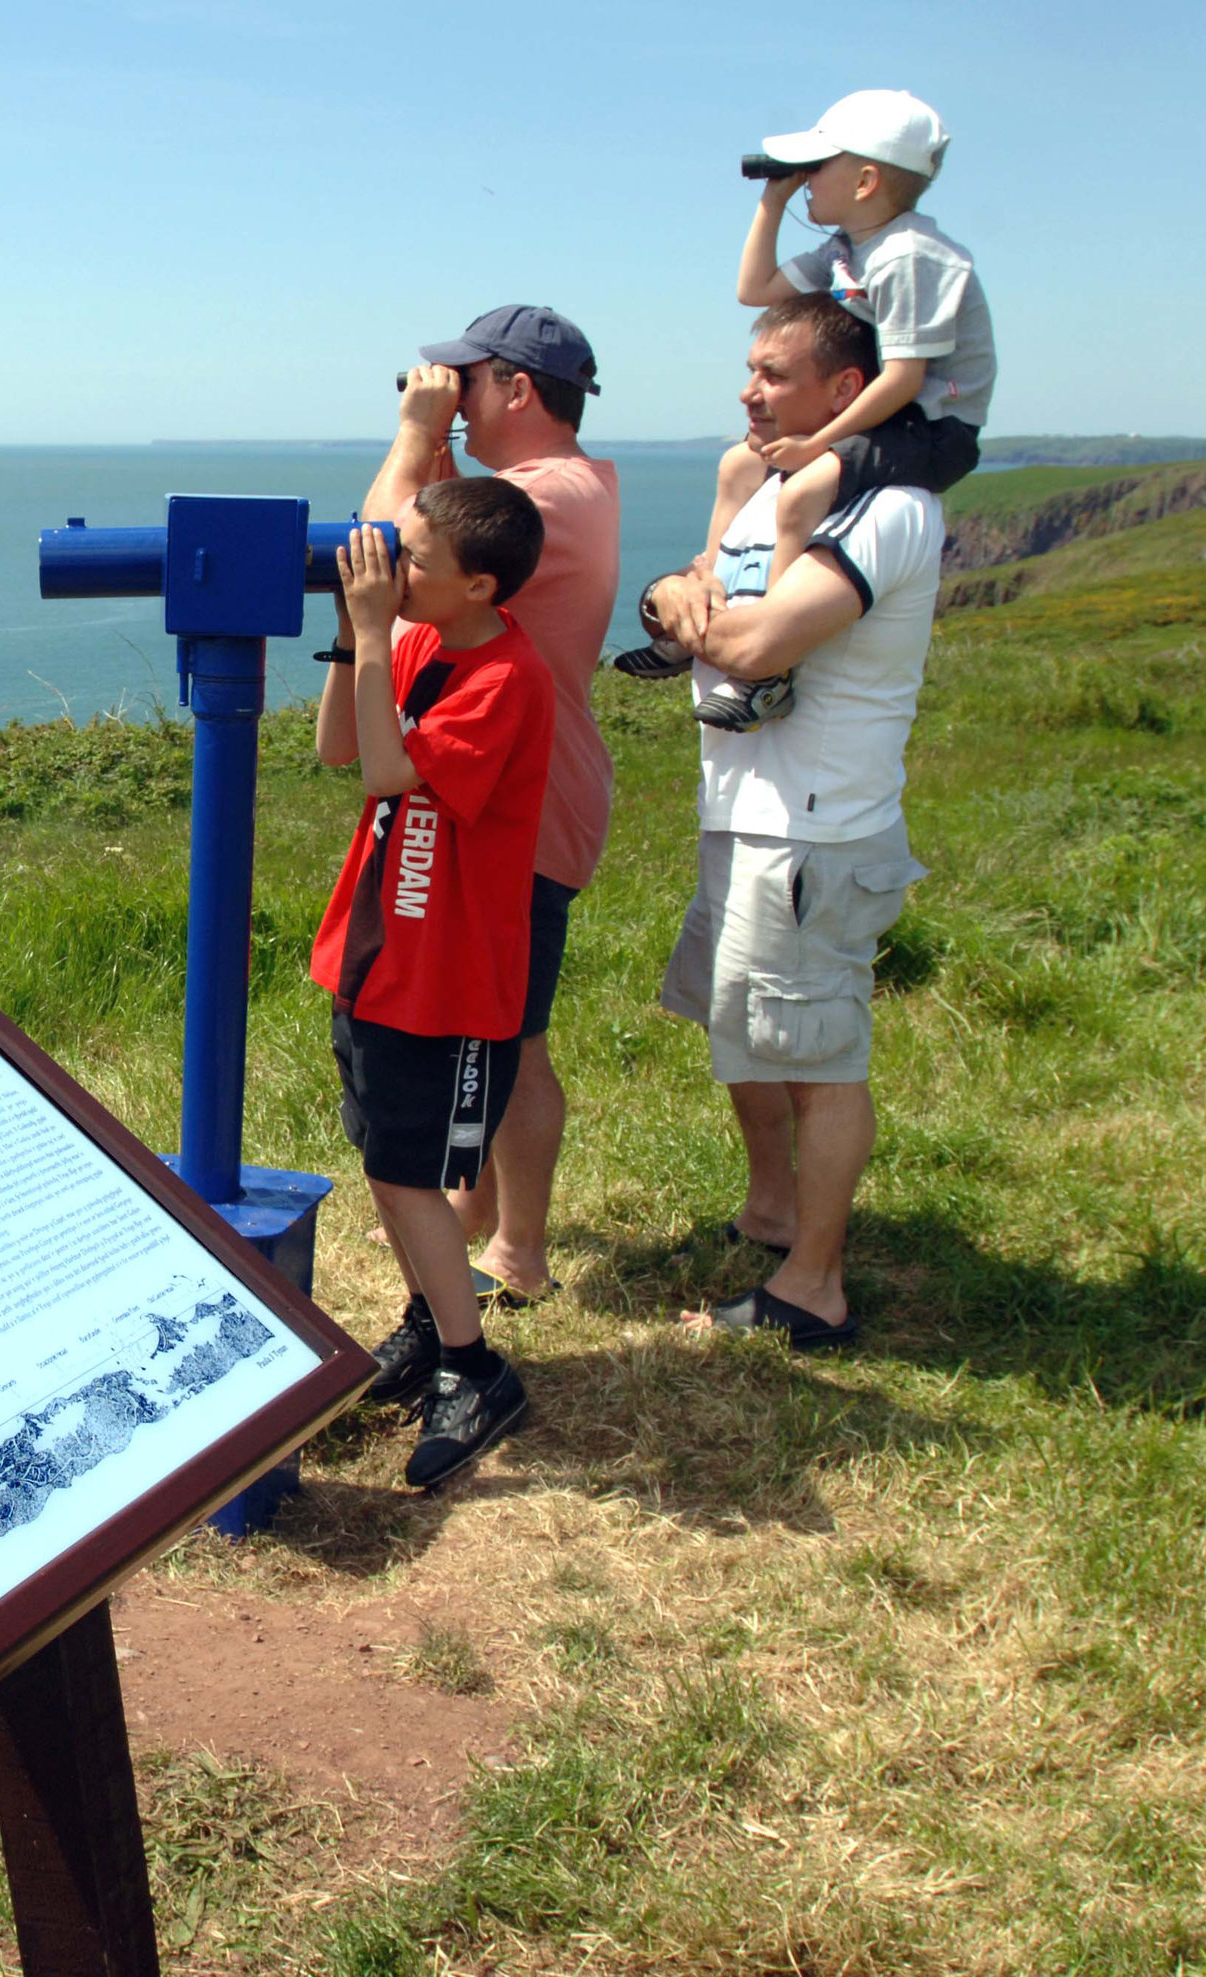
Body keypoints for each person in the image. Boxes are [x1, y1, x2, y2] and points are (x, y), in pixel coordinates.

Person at [629, 293, 944, 1348]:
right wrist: (679, 594)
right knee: (747, 1029)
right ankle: (772, 1212)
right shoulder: (766, 486)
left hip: (815, 827)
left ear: (845, 391)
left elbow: (758, 645)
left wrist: (697, 613)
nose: (746, 390)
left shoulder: (889, 510)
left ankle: (814, 1286)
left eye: (773, 373)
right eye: (748, 368)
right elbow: (691, 592)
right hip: (745, 811)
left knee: (818, 1056)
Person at [340, 306, 621, 1403]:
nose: (446, 392)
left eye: (464, 381)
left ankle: (510, 1251)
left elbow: (382, 540)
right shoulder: (578, 483)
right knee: (505, 1043)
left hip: (504, 811)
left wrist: (415, 434)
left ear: (511, 387)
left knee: (506, 1041)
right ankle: (471, 1234)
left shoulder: (541, 499)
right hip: (504, 797)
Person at [311, 477, 553, 1488]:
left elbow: (387, 774)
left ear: (479, 584)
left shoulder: (505, 679)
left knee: (416, 1176)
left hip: (449, 979)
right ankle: (426, 1324)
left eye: (412, 560)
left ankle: (473, 1369)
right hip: (376, 958)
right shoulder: (411, 641)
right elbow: (338, 748)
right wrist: (350, 637)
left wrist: (373, 636)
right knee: (384, 1161)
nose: (391, 570)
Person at [618, 90, 992, 735]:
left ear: (868, 179)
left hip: (935, 427)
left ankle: (769, 669)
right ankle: (708, 590)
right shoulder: (851, 246)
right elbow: (753, 289)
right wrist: (774, 200)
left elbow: (906, 378)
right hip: (887, 413)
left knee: (806, 487)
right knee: (742, 460)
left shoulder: (908, 255)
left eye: (817, 166)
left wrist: (819, 442)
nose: (806, 179)